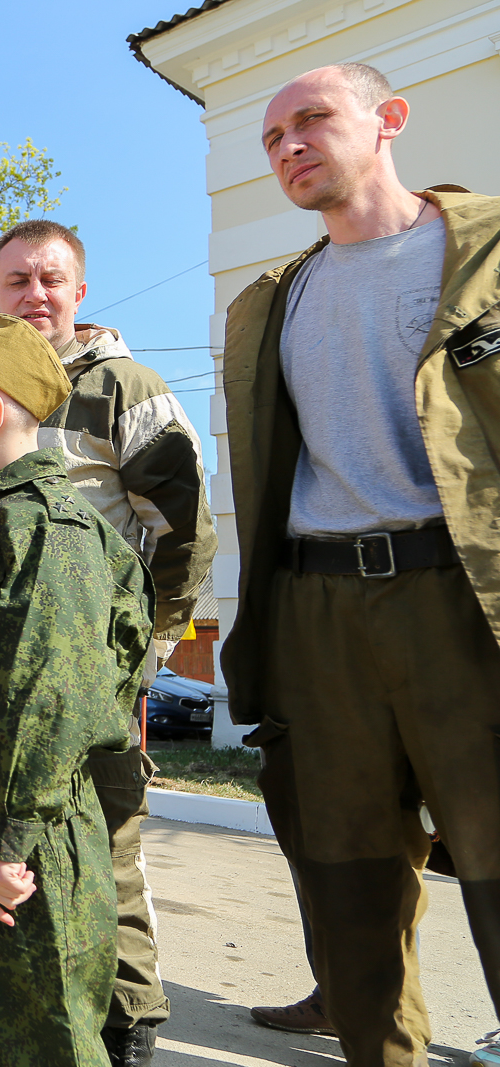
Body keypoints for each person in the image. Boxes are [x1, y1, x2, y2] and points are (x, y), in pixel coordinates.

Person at [221, 62, 500, 1067]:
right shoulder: (272, 301)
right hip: (321, 608)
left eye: (312, 119)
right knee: (349, 879)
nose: (288, 145)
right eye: (271, 137)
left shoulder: (485, 250)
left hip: (462, 597)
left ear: (388, 120)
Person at [0, 218, 215, 1065]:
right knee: (16, 839)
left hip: (96, 672)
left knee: (105, 838)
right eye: (17, 281)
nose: (34, 295)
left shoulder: (126, 387)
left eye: (50, 279)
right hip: (2, 670)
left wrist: (144, 653)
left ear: (79, 291)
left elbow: (185, 533)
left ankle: (130, 1016)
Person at [0, 313, 152, 1067]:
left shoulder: (45, 530)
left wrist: (8, 845)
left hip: (23, 853)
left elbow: (48, 698)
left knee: (44, 1045)